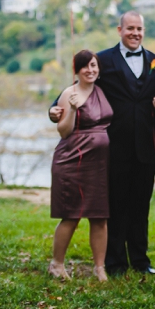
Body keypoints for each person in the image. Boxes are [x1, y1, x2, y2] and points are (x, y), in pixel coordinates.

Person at [49, 12, 155, 276]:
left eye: (139, 28)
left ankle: (140, 260)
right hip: (112, 148)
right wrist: (53, 109)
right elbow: (76, 88)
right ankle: (115, 262)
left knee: (141, 205)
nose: (135, 33)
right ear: (120, 29)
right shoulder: (103, 60)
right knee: (115, 205)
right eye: (130, 28)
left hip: (147, 146)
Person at [48, 50, 112, 282]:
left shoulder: (101, 90)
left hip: (98, 165)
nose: (90, 70)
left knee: (99, 216)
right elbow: (64, 131)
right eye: (85, 66)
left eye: (94, 65)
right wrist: (73, 109)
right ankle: (56, 264)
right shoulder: (69, 93)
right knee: (71, 215)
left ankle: (100, 268)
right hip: (73, 160)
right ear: (77, 70)